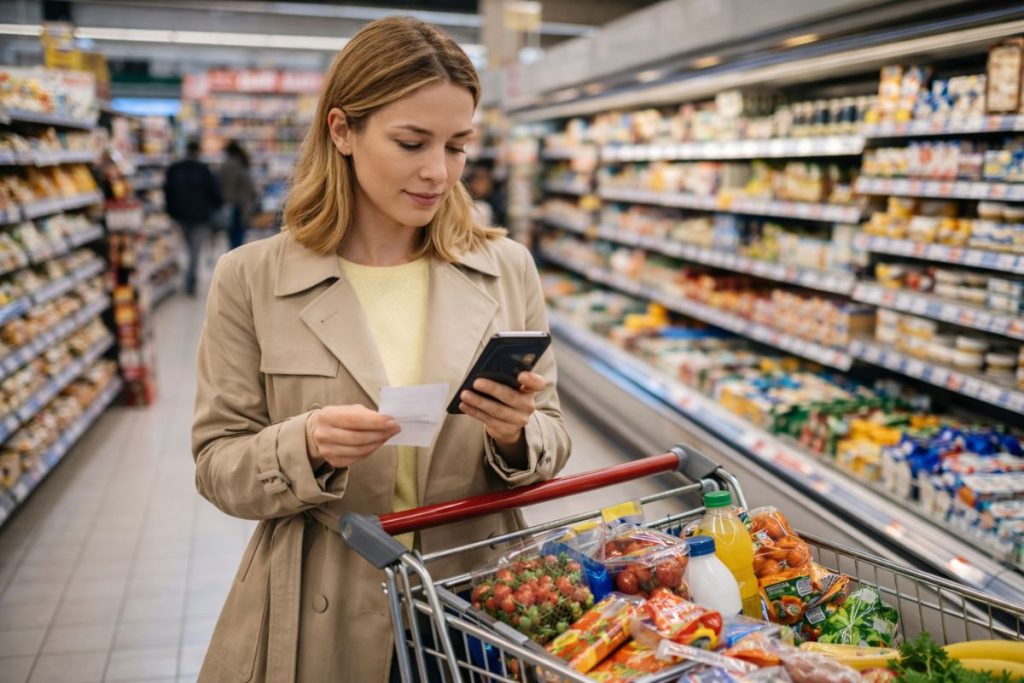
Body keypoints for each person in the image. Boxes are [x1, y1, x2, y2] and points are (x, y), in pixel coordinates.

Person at [191, 16, 572, 683]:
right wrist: (306, 443)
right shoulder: (250, 278)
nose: (438, 172)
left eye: (457, 146)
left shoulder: (506, 268)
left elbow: (554, 437)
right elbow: (217, 464)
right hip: (322, 608)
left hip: (479, 599)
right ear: (342, 130)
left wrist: (515, 433)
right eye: (411, 142)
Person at [164, 140, 222, 295]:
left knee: (187, 248)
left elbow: (168, 192)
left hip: (180, 216)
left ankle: (188, 279)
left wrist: (171, 212)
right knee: (194, 251)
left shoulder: (175, 169)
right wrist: (215, 209)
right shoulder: (204, 170)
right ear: (198, 152)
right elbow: (214, 194)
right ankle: (190, 282)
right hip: (200, 217)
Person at [219, 139, 255, 249]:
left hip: (233, 205)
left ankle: (234, 254)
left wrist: (225, 201)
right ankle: (237, 253)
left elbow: (227, 187)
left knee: (233, 235)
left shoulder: (228, 166)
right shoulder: (243, 163)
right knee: (239, 234)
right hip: (244, 204)